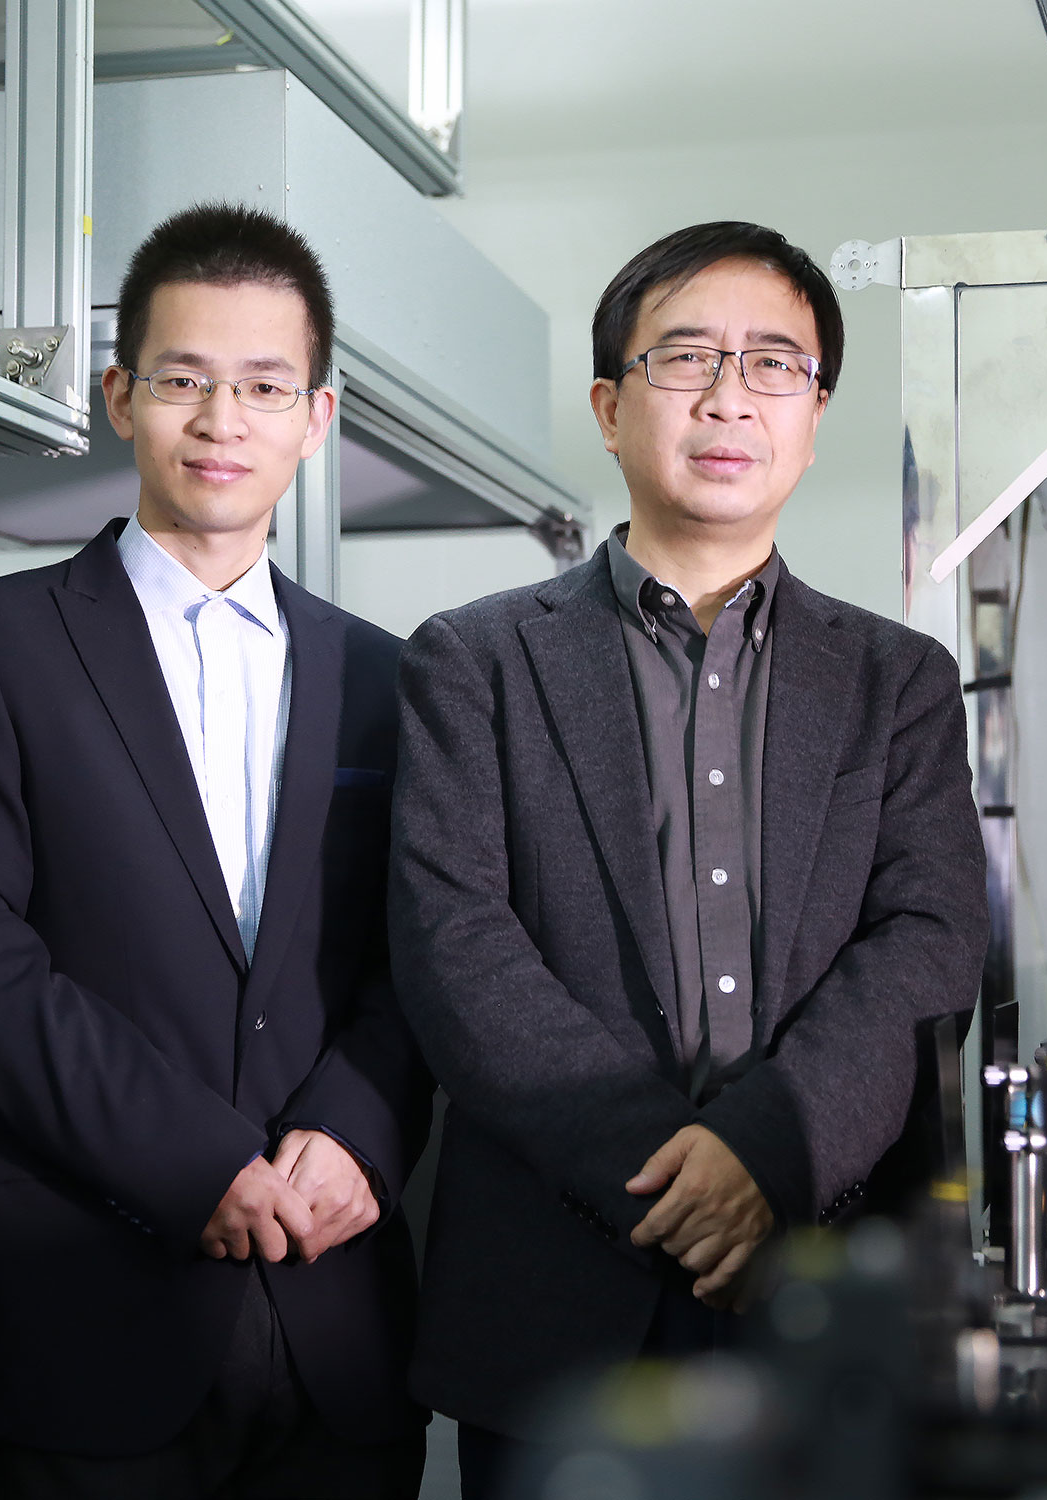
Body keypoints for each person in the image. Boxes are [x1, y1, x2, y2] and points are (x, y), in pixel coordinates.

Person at [388, 220, 990, 1495]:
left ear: (814, 415)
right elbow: (456, 948)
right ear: (609, 407)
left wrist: (768, 1154)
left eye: (774, 363)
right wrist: (677, 1179)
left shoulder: (898, 683)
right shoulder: (472, 661)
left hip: (823, 1271)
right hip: (554, 1286)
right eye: (684, 360)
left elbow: (930, 945)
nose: (728, 397)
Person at [0, 201, 431, 1499]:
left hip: (337, 1316)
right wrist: (192, 1162)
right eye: (185, 380)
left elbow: (424, 952)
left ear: (319, 416)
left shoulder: (388, 679)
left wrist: (356, 1132)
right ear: (122, 397)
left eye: (263, 387)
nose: (222, 420)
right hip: (91, 1301)